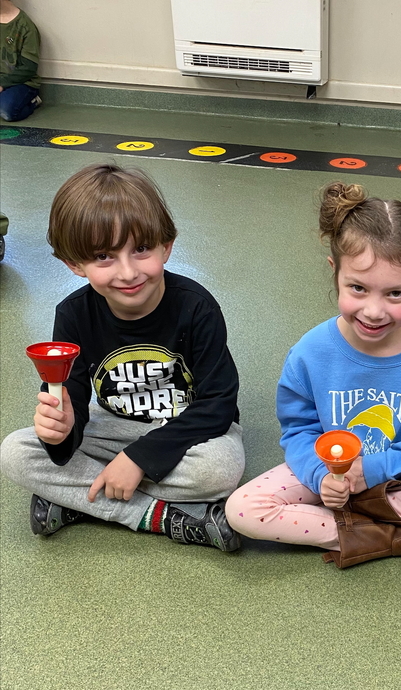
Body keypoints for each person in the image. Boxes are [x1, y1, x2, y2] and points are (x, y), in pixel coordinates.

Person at [225, 181, 401, 576]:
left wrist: (376, 469)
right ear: (334, 272)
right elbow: (299, 432)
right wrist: (323, 477)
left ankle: (355, 530)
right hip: (330, 482)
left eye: (395, 294)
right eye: (357, 288)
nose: (374, 311)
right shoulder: (309, 352)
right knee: (242, 510)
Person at [0, 164, 245, 551]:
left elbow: (218, 405)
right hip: (110, 428)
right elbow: (73, 405)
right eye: (103, 256)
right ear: (75, 265)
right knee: (15, 453)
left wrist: (139, 459)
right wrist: (61, 432)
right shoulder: (72, 315)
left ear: (167, 245)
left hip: (188, 431)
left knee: (220, 470)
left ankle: (79, 501)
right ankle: (161, 516)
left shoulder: (197, 307)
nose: (129, 272)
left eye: (142, 249)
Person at [0, 0, 42, 122]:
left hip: (20, 83)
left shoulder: (25, 26)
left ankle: (33, 101)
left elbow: (28, 68)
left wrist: (2, 84)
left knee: (8, 112)